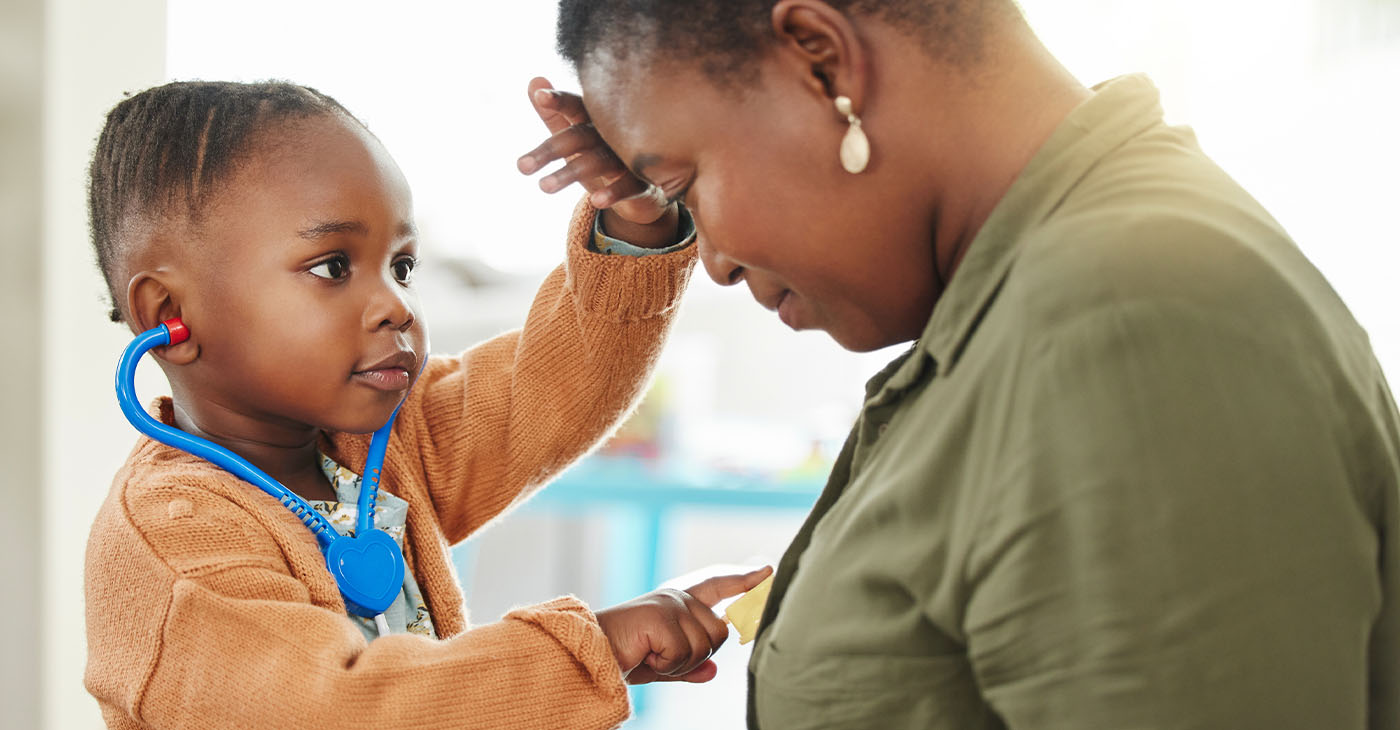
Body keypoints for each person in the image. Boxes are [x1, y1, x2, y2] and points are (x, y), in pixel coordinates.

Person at [524, 0, 1400, 727]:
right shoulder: (1043, 297)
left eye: (681, 188)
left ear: (824, 64)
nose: (710, 258)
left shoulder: (1129, 321)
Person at [83, 79, 770, 729]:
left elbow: (551, 388)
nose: (396, 305)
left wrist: (636, 227)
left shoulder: (382, 445)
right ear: (170, 313)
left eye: (401, 266)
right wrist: (592, 648)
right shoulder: (171, 545)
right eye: (332, 266)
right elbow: (347, 711)